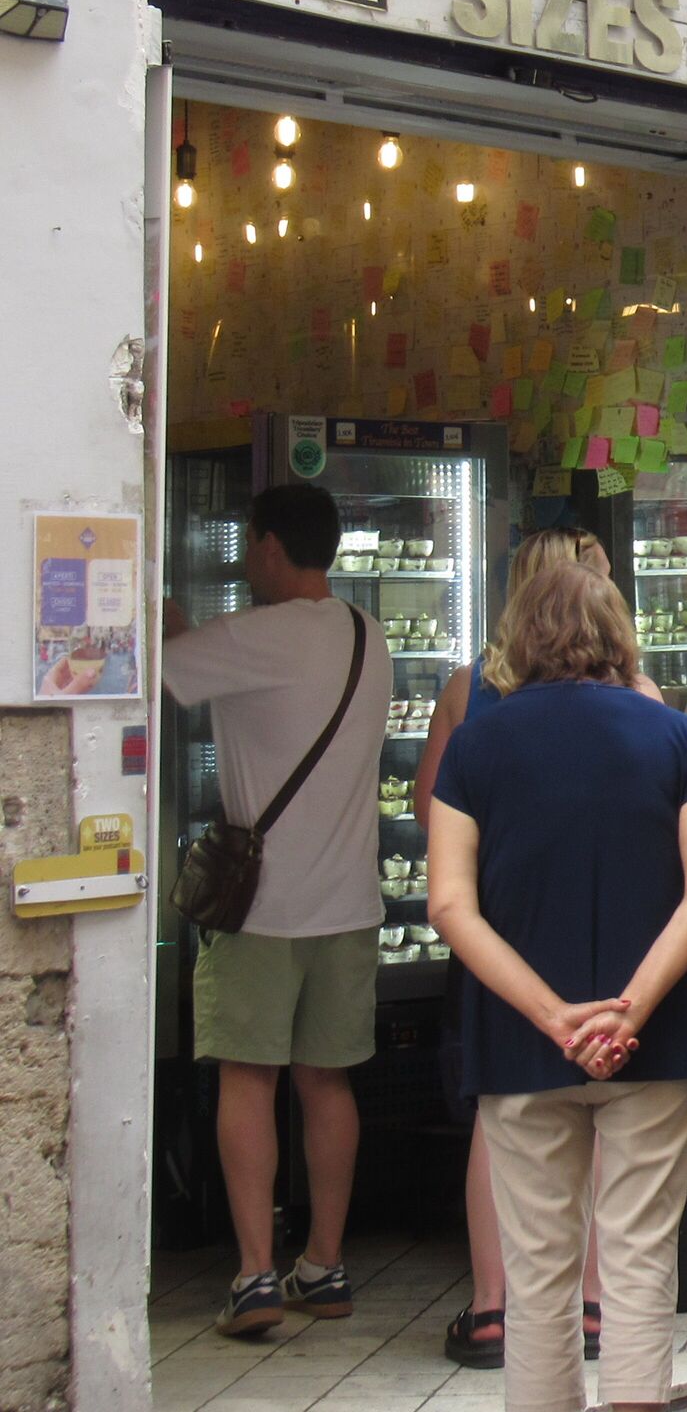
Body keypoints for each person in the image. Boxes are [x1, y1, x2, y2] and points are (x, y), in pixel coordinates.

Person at [427, 562, 687, 1412]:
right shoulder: (671, 736)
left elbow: (450, 904)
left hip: (522, 1042)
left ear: (520, 638)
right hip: (658, 1035)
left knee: (536, 1275)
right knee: (637, 1260)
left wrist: (554, 1015)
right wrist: (630, 1006)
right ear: (616, 638)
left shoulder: (476, 745)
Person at [415, 526, 663, 1370]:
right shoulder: (646, 701)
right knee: (610, 1123)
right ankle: (597, 1305)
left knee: (505, 1114)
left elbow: (431, 823)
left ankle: (495, 1307)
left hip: (501, 942)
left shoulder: (468, 698)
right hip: (617, 951)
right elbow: (686, 847)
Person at [161, 481, 395, 1337]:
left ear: (267, 546)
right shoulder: (371, 638)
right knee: (328, 1084)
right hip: (350, 905)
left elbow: (164, 664)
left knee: (246, 1080)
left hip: (257, 910)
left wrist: (161, 610)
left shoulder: (251, 637)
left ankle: (255, 1277)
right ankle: (324, 1266)